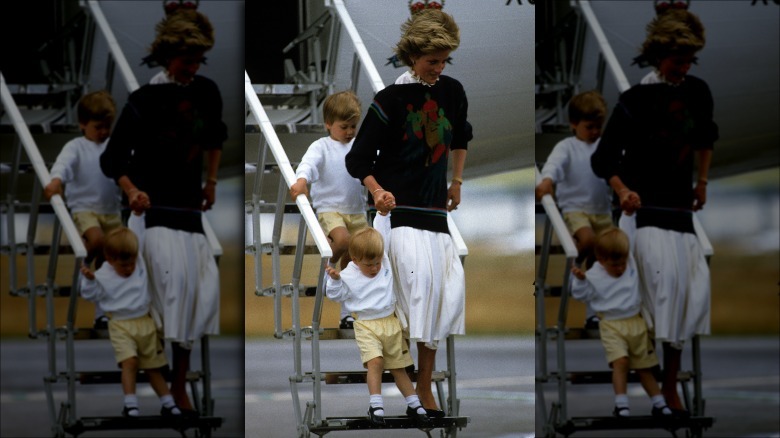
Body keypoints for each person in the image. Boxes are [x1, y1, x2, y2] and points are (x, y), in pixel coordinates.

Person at [100, 6, 227, 412]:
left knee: (197, 295)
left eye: (198, 61)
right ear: (168, 57)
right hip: (151, 211)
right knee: (162, 296)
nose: (193, 68)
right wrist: (132, 189)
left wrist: (211, 180)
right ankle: (164, 385)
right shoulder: (144, 99)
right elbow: (114, 158)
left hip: (190, 209)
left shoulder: (206, 90)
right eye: (187, 61)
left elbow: (214, 138)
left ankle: (178, 382)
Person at [345, 8, 471, 417]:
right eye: (432, 60)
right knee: (413, 298)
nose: (439, 67)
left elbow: (461, 136)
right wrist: (377, 191)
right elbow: (359, 158)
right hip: (399, 214)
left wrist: (457, 181)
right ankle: (416, 392)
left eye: (444, 60)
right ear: (412, 56)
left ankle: (422, 385)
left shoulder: (452, 91)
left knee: (442, 297)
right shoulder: (391, 99)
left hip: (436, 211)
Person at [591, 8, 717, 413]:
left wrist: (702, 181)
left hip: (681, 208)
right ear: (658, 57)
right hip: (643, 212)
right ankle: (656, 386)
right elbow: (605, 158)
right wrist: (623, 190)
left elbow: (704, 138)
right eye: (678, 61)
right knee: (655, 296)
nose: (683, 68)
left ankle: (669, 382)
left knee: (686, 297)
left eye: (688, 61)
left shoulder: (698, 90)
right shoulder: (635, 100)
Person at [324, 224, 430, 426]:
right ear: (355, 260)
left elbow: (383, 233)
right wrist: (335, 280)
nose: (374, 268)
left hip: (390, 323)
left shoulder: (385, 264)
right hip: (366, 325)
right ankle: (376, 404)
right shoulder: (348, 275)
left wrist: (383, 215)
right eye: (368, 264)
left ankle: (414, 404)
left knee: (399, 367)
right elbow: (335, 295)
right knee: (376, 362)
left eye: (377, 263)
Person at [79, 214, 181, 418]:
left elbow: (138, 233)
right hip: (120, 325)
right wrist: (89, 280)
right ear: (109, 259)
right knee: (130, 362)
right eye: (123, 265)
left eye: (131, 263)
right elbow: (90, 294)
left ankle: (168, 403)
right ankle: (130, 403)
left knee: (154, 367)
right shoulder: (104, 275)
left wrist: (137, 214)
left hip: (144, 322)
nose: (129, 269)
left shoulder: (139, 263)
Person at [571, 214, 673, 418]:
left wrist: (628, 214)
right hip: (611, 325)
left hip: (635, 323)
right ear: (601, 260)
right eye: (614, 265)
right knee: (621, 362)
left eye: (622, 263)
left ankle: (659, 403)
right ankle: (621, 404)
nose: (620, 269)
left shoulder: (630, 264)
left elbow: (629, 232)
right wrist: (581, 280)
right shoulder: (594, 275)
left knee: (645, 367)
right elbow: (581, 295)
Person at [289, 90, 367, 330]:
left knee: (355, 262)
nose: (350, 132)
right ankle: (327, 271)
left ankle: (347, 314)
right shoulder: (321, 146)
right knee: (341, 240)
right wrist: (302, 180)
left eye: (354, 126)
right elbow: (308, 165)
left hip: (357, 212)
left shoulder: (359, 146)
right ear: (328, 124)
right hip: (330, 210)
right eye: (344, 127)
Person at [536, 90, 613, 330]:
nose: (595, 132)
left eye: (599, 127)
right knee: (588, 241)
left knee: (604, 263)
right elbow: (553, 166)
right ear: (573, 124)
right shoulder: (567, 147)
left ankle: (593, 314)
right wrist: (547, 181)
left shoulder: (605, 145)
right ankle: (577, 263)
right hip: (575, 210)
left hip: (603, 212)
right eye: (589, 127)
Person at [44, 90, 121, 330]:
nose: (104, 132)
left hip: (111, 211)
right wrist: (56, 180)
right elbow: (63, 165)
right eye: (98, 126)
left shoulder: (113, 146)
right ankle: (83, 265)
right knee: (96, 240)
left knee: (111, 263)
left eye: (108, 126)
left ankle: (101, 314)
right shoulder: (76, 146)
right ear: (82, 124)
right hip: (85, 209)